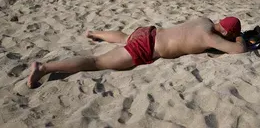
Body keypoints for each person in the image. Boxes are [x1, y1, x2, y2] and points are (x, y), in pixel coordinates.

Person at [27, 17, 246, 88]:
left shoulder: (204, 21)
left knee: (125, 37)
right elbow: (239, 49)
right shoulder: (210, 38)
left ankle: (95, 33)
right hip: (147, 48)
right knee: (96, 62)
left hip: (147, 32)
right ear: (225, 32)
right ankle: (44, 68)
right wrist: (238, 37)